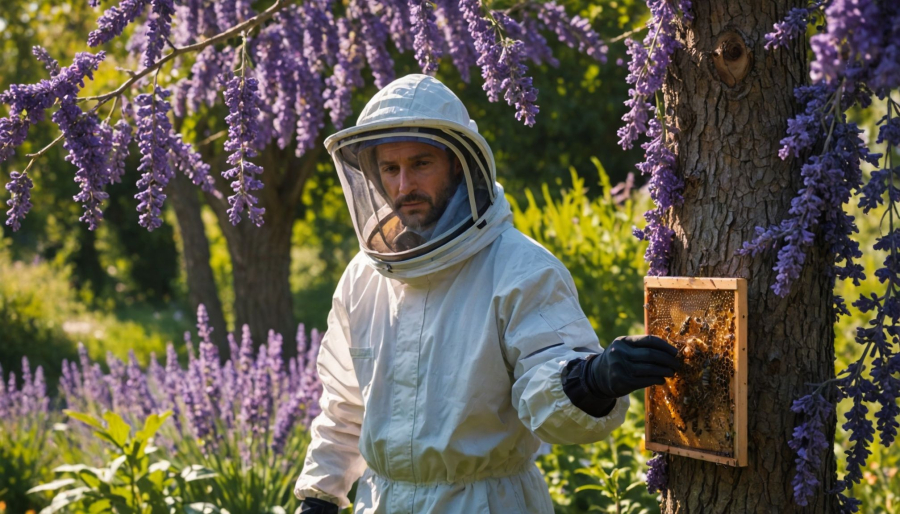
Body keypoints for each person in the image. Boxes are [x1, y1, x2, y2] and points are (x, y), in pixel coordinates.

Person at [294, 74, 681, 514]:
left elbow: (545, 376)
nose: (404, 186)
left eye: (421, 163)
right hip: (381, 502)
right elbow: (345, 406)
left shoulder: (519, 267)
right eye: (390, 168)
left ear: (459, 164)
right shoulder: (363, 277)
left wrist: (590, 380)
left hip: (486, 502)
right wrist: (319, 495)